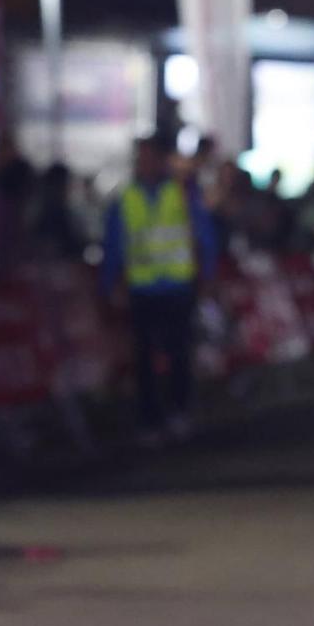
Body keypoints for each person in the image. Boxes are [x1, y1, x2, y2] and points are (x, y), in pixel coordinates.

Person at [101, 133, 217, 443]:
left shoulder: (181, 193)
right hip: (143, 290)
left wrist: (206, 275)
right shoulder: (126, 198)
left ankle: (179, 412)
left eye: (149, 156)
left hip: (178, 286)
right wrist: (110, 284)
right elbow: (114, 245)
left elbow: (204, 235)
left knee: (179, 354)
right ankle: (150, 419)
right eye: (140, 157)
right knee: (143, 360)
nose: (144, 163)